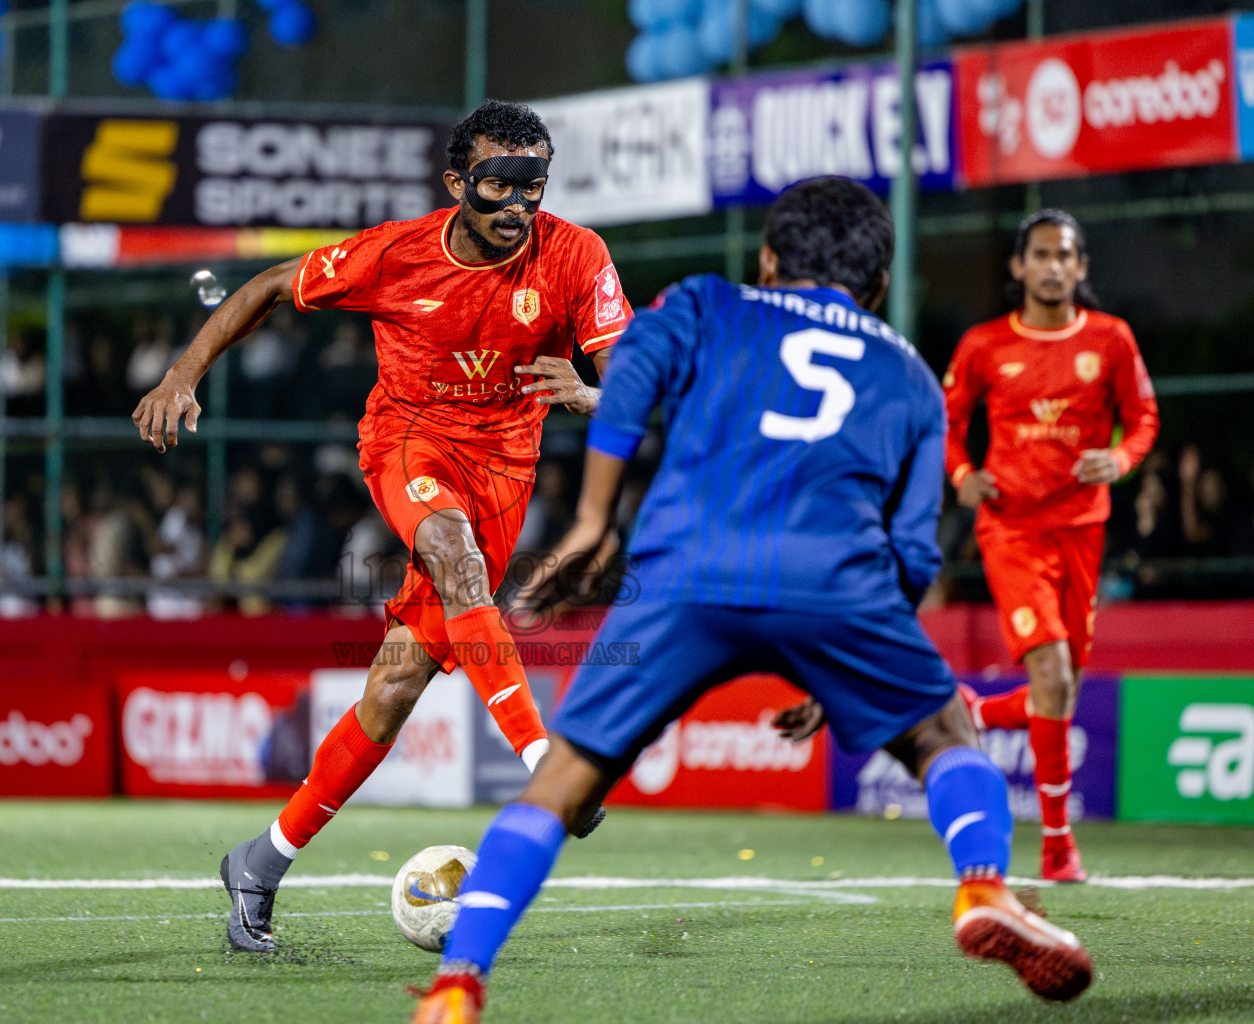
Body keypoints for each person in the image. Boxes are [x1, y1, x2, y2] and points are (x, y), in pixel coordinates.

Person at [411, 178, 1094, 1024]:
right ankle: (983, 886)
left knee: (561, 785)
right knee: (945, 735)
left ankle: (458, 982)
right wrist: (847, 663)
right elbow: (916, 548)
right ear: (877, 285)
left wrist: (594, 518)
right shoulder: (912, 375)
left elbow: (629, 370)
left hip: (687, 570)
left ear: (769, 259)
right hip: (838, 584)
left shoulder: (707, 302)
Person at [130, 99, 633, 952]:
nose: (516, 206)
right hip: (408, 444)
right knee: (453, 554)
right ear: (456, 183)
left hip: (505, 476)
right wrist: (183, 372)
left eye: (532, 187)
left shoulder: (577, 254)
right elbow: (261, 289)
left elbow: (629, 377)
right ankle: (545, 766)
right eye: (497, 185)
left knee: (394, 688)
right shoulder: (395, 253)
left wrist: (590, 395)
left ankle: (259, 862)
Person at [944, 209, 1159, 883]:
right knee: (1054, 675)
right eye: (1040, 254)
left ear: (1081, 266)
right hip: (1010, 529)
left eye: (1065, 255)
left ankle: (971, 708)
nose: (1053, 266)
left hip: (1082, 529)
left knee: (1059, 690)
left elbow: (1144, 418)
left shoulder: (1111, 339)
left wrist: (1120, 460)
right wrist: (961, 475)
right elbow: (946, 425)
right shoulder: (983, 345)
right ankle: (1058, 844)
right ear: (1019, 266)